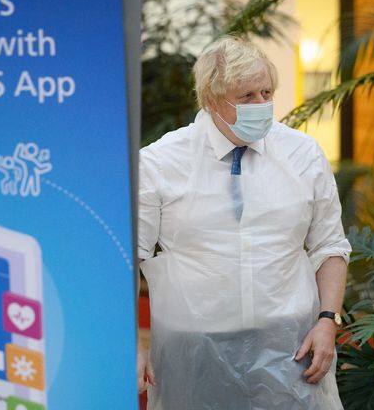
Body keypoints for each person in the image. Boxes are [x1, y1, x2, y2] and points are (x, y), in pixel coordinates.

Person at [136, 35, 351, 409]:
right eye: (246, 96)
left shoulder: (302, 154)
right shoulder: (159, 162)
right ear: (210, 99)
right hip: (193, 351)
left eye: (267, 92)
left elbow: (329, 244)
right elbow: (126, 259)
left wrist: (327, 321)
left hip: (292, 346)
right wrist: (131, 344)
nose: (262, 105)